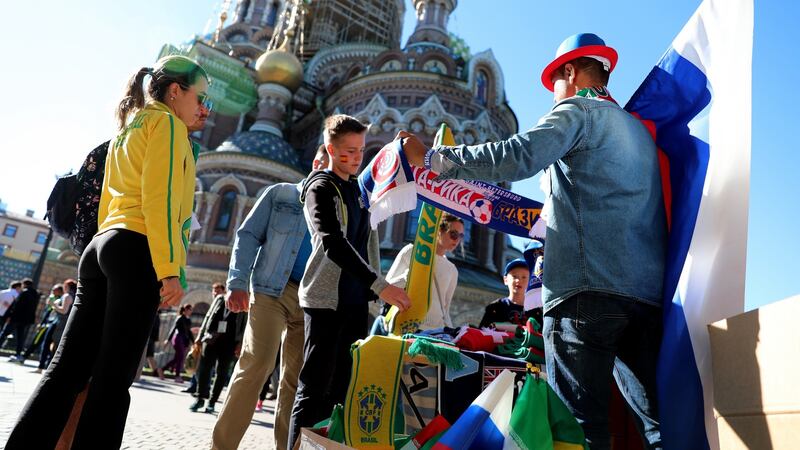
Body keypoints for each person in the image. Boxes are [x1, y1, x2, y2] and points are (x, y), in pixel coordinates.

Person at [398, 33, 667, 449]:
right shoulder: (639, 134)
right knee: (654, 425)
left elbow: (519, 153)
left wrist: (435, 161)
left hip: (585, 291)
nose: (553, 95)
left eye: (554, 83)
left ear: (571, 72)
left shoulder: (578, 111)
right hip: (644, 296)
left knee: (579, 424)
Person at [5, 55, 209, 449]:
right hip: (137, 249)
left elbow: (109, 200)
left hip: (103, 246)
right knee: (113, 380)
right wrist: (170, 269)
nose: (204, 109)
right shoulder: (166, 124)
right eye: (200, 98)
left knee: (65, 370)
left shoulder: (130, 125)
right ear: (174, 92)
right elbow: (161, 199)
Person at [287, 114, 411, 449]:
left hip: (356, 302)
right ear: (330, 148)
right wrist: (380, 284)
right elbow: (332, 242)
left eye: (360, 151)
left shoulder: (356, 189)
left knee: (342, 389)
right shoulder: (320, 187)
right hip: (325, 300)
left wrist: (397, 149)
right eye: (349, 151)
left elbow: (384, 179)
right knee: (313, 389)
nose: (356, 157)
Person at [211, 146, 329, 450]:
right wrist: (236, 282)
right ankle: (221, 447)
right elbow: (248, 234)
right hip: (270, 290)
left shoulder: (336, 209)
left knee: (296, 382)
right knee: (256, 366)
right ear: (317, 161)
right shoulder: (281, 194)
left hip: (310, 301)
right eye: (329, 163)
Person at [384, 213, 463, 330]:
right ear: (439, 230)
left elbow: (445, 309)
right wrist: (410, 275)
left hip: (435, 331)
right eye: (453, 234)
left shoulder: (452, 270)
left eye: (461, 236)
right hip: (407, 325)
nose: (457, 240)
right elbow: (387, 288)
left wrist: (451, 332)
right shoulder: (411, 251)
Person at [190, 283, 245, 413]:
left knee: (222, 373)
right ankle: (200, 398)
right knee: (204, 369)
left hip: (229, 343)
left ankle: (212, 402)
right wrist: (200, 336)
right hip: (211, 340)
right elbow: (208, 317)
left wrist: (240, 342)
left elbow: (244, 324)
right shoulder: (219, 299)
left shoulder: (243, 303)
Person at [478, 259, 537, 328]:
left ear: (530, 281)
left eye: (524, 277)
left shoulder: (535, 311)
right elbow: (483, 332)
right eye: (514, 276)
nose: (518, 280)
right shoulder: (496, 307)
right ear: (505, 280)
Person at [0, 279, 39, 360]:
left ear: (24, 284)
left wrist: (10, 315)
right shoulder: (35, 294)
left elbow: (17, 306)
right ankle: (18, 354)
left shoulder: (24, 292)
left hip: (17, 318)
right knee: (20, 337)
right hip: (26, 320)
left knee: (4, 333)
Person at [163, 303, 194, 383]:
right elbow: (173, 329)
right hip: (177, 338)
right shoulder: (180, 318)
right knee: (180, 357)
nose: (191, 311)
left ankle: (162, 369)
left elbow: (189, 332)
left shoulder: (188, 320)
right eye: (190, 309)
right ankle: (177, 376)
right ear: (185, 310)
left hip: (183, 340)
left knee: (178, 358)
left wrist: (193, 342)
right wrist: (168, 340)